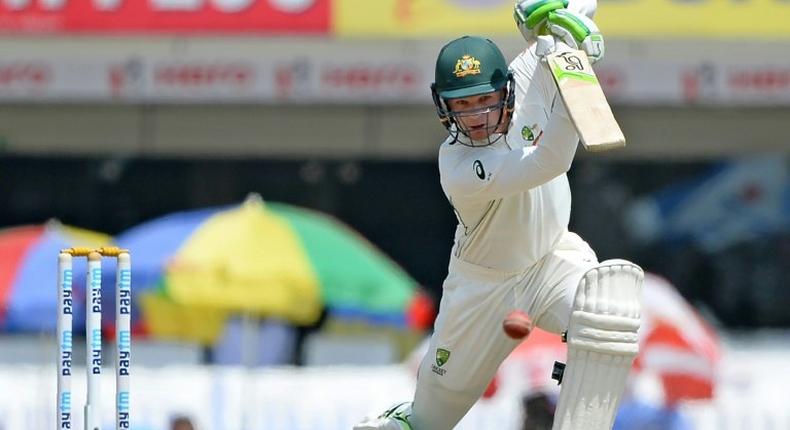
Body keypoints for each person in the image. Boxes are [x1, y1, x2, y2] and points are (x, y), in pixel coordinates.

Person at [354, 0, 643, 429]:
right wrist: (576, 67)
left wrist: (560, 18)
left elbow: (578, 10)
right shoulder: (457, 165)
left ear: (506, 89)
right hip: (482, 291)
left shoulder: (528, 74)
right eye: (462, 105)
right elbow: (549, 161)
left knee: (605, 311)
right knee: (428, 423)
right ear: (444, 107)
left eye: (484, 100)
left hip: (552, 261)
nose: (475, 116)